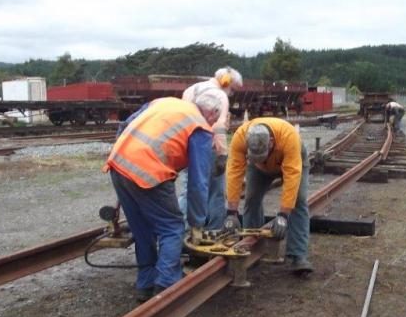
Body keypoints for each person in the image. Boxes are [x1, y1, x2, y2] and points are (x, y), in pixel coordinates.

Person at [104, 92, 223, 303]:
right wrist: (196, 224)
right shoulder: (201, 128)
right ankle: (166, 286)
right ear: (212, 113)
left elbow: (124, 126)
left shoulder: (163, 102)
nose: (213, 125)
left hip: (118, 163)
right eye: (216, 119)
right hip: (149, 172)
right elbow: (198, 182)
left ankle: (146, 284)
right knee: (172, 228)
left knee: (142, 230)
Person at [224, 117, 313, 274]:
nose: (261, 158)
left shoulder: (288, 137)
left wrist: (283, 216)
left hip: (293, 162)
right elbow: (234, 173)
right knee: (251, 199)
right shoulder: (240, 137)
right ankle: (251, 248)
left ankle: (298, 255)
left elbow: (292, 177)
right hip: (258, 169)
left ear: (271, 141)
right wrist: (231, 212)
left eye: (262, 155)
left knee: (298, 201)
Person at [177, 67, 242, 230]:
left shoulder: (190, 90)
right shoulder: (220, 96)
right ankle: (214, 229)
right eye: (233, 90)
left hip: (187, 146)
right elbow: (218, 128)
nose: (231, 94)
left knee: (187, 189)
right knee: (216, 191)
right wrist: (222, 154)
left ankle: (181, 229)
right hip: (209, 147)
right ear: (227, 83)